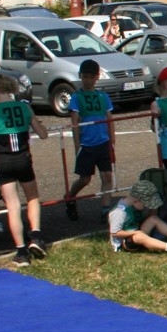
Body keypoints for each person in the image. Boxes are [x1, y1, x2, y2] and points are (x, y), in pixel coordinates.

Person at [0, 73, 48, 267]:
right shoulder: (24, 106)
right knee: (32, 198)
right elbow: (42, 134)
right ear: (9, 88)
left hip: (2, 160)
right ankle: (36, 236)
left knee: (13, 206)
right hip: (23, 158)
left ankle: (21, 252)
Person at [65, 59, 115, 222]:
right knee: (85, 179)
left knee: (107, 176)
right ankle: (70, 197)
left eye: (91, 77)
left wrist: (112, 141)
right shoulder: (76, 97)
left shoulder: (103, 96)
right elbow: (74, 123)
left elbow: (109, 120)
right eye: (85, 77)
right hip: (86, 144)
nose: (88, 80)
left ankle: (105, 209)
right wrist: (77, 146)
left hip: (103, 142)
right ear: (80, 76)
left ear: (97, 77)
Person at [107, 180, 167, 255]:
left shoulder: (133, 204)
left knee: (153, 218)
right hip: (125, 242)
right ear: (137, 200)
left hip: (136, 232)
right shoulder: (119, 212)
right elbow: (115, 232)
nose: (146, 207)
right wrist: (135, 233)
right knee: (139, 236)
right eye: (145, 204)